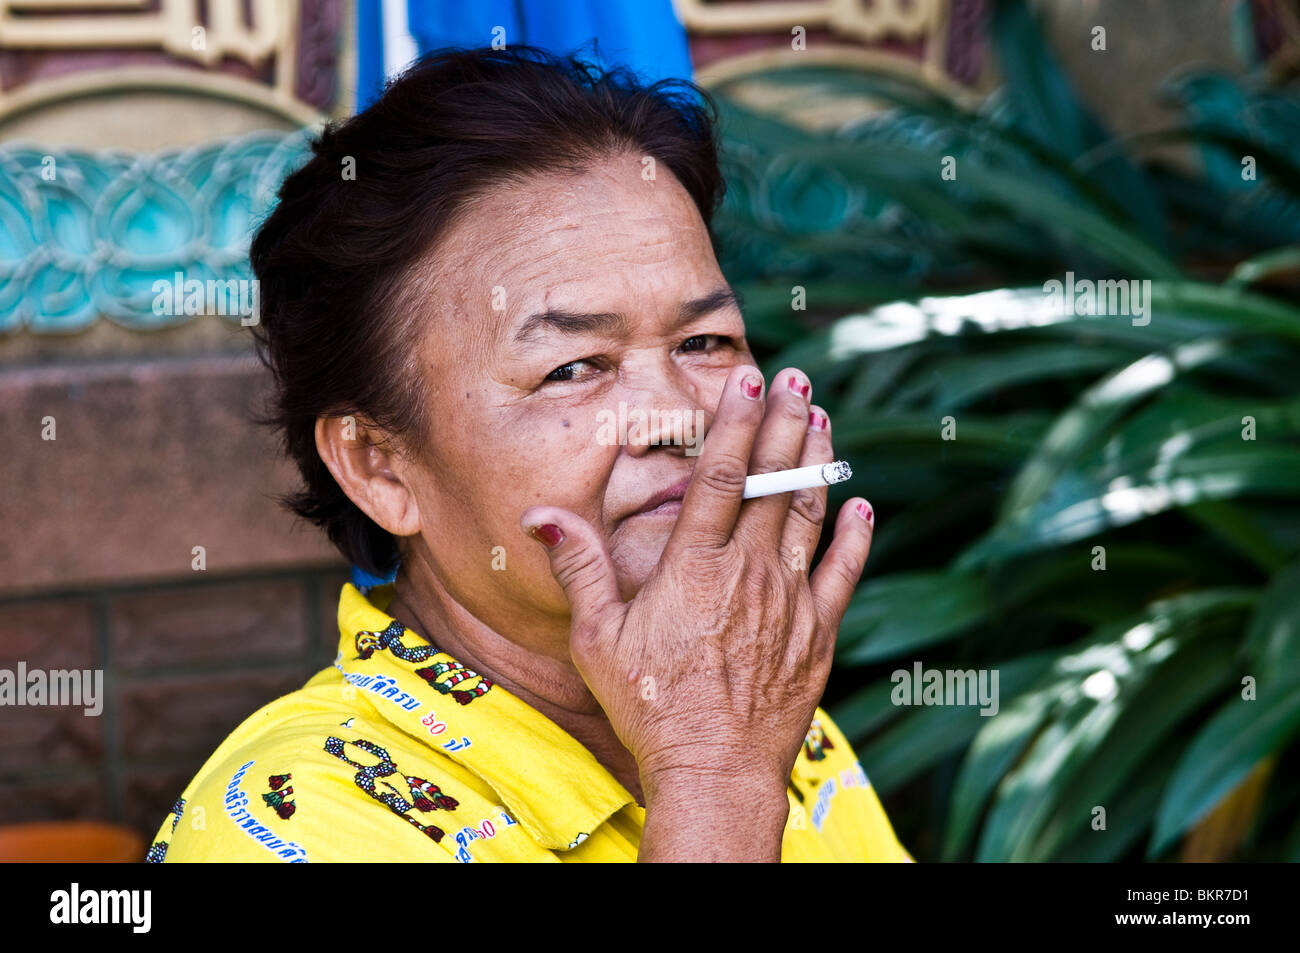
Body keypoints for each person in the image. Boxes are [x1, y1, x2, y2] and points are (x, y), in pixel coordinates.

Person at [148, 45, 911, 863]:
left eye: (705, 339)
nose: (678, 416)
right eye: (572, 368)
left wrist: (722, 753)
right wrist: (713, 782)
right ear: (379, 464)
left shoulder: (757, 708)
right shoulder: (289, 824)